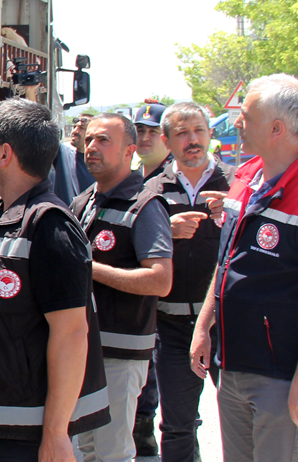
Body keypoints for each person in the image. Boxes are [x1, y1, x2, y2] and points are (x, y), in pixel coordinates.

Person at [190, 74, 298, 462]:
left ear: (276, 129)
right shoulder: (246, 177)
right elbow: (227, 260)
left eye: (245, 115)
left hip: (283, 377)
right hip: (233, 365)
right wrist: (204, 326)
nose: (237, 123)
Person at [0, 99, 110, 462]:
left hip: (20, 441)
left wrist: (56, 434)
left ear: (4, 154)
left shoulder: (50, 228)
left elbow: (72, 333)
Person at [72, 113, 174, 462]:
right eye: (88, 140)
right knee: (87, 448)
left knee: (112, 452)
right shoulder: (83, 201)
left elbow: (160, 280)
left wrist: (91, 270)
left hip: (119, 352)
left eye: (103, 140)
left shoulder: (145, 206)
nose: (92, 147)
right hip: (82, 349)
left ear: (130, 151)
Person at [143, 102, 234, 462]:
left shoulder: (238, 185)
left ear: (211, 134)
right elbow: (134, 251)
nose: (192, 140)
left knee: (242, 422)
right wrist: (167, 230)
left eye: (198, 131)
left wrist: (235, 213)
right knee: (178, 425)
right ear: (167, 141)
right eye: (182, 133)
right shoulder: (151, 189)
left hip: (229, 324)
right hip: (173, 325)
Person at [130, 102, 171, 454]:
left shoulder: (171, 180)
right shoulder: (140, 178)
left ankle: (148, 429)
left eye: (151, 131)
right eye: (139, 131)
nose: (144, 137)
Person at [54, 113, 95, 202]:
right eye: (74, 127)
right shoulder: (63, 154)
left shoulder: (98, 164)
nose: (75, 131)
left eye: (81, 128)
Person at [135, 103, 171, 180]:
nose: (144, 138)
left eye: (153, 131)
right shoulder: (129, 176)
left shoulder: (179, 175)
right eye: (140, 131)